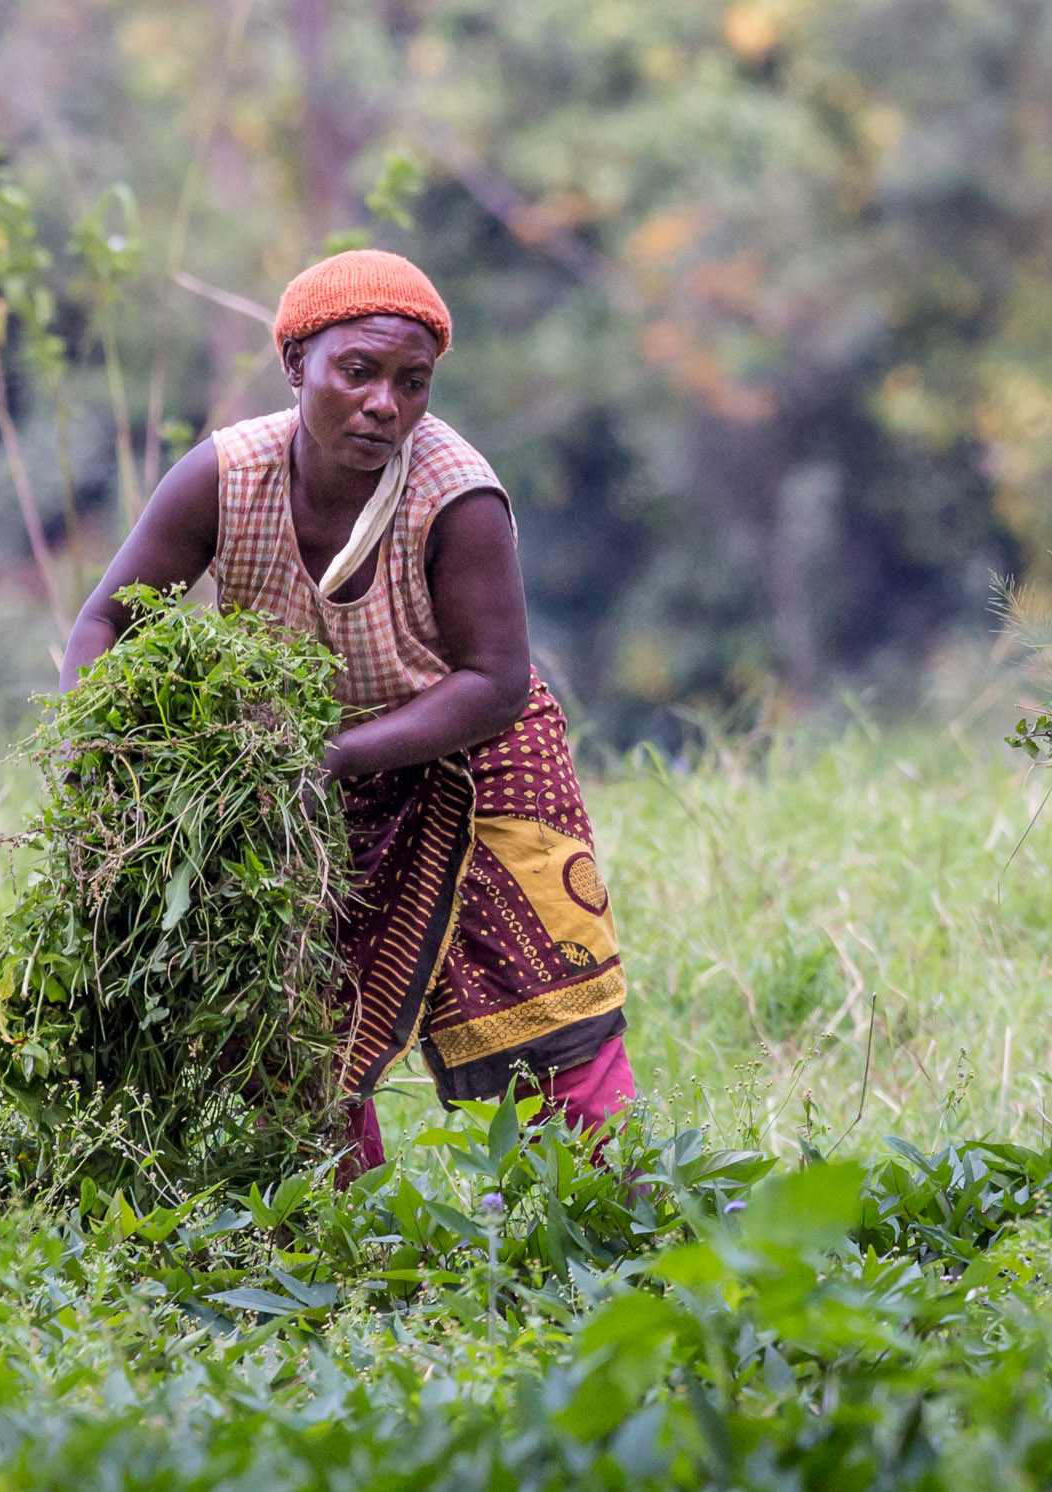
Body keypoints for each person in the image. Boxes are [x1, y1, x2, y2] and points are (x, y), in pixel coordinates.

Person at [59, 249, 634, 1177]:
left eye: (412, 384)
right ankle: (346, 1240)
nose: (384, 405)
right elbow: (103, 621)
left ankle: (604, 1217)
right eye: (356, 373)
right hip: (311, 768)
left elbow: (493, 679)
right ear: (297, 367)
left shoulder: (457, 494)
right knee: (297, 1018)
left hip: (474, 752)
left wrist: (333, 754)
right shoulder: (225, 476)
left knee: (545, 999)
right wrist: (94, 749)